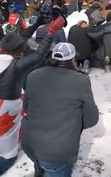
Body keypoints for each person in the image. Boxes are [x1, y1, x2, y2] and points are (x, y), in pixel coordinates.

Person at [0, 15, 65, 176]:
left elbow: (26, 37)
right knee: (8, 154)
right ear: (16, 52)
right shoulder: (16, 65)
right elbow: (39, 55)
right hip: (7, 108)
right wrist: (51, 31)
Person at [21, 42, 99, 177]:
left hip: (30, 143)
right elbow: (91, 119)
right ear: (73, 59)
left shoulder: (33, 75)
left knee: (43, 164)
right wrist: (73, 126)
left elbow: (26, 107)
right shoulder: (80, 80)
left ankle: (40, 168)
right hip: (58, 151)